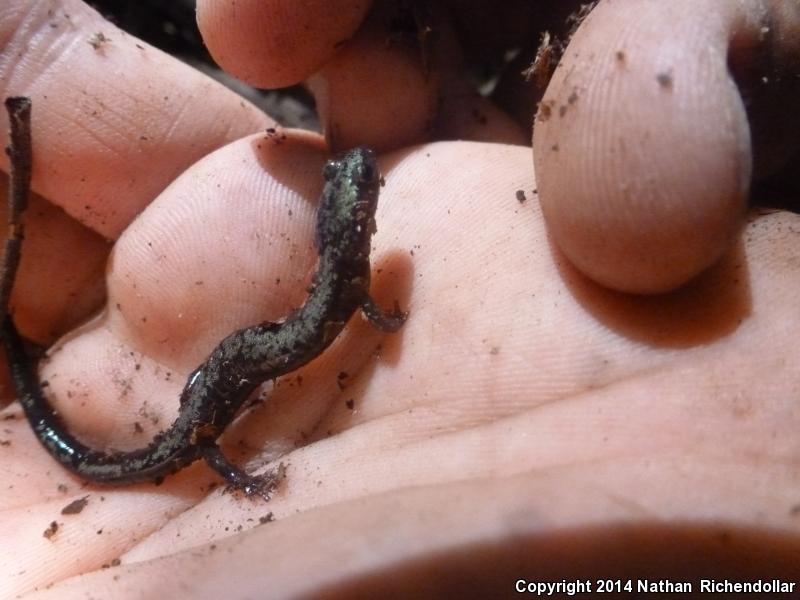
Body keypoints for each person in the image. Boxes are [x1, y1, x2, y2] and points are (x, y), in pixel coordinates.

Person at [1, 0, 798, 597]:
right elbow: (360, 312)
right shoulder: (345, 282)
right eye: (360, 198)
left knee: (228, 388)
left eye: (362, 194)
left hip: (240, 364)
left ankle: (177, 436)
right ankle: (197, 453)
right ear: (354, 232)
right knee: (204, 421)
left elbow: (354, 312)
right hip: (224, 384)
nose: (362, 190)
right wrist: (235, 473)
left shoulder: (341, 280)